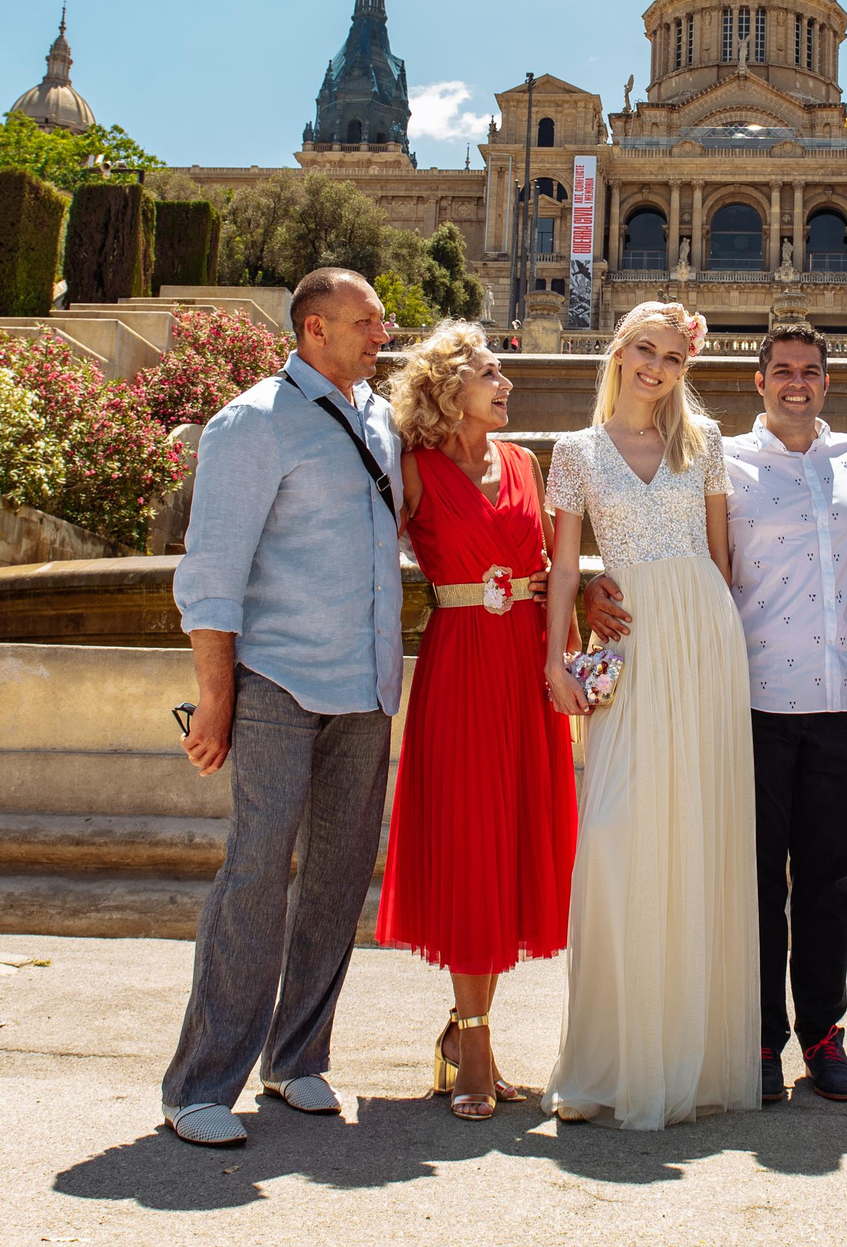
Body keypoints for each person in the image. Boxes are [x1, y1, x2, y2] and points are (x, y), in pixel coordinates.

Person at [582, 320, 847, 1104]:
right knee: (751, 878)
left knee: (831, 877)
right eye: (783, 369)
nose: (797, 382)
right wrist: (595, 582)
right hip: (751, 694)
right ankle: (757, 1035)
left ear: (827, 381)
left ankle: (823, 1033)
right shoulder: (716, 455)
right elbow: (667, 538)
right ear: (759, 381)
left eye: (810, 370)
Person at [160, 267, 401, 1148]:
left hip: (366, 684)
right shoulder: (251, 422)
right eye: (366, 322)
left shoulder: (380, 421)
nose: (382, 335)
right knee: (257, 873)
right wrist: (215, 695)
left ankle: (296, 1057)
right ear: (313, 330)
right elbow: (212, 571)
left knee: (338, 876)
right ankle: (200, 1083)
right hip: (277, 679)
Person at [537, 301, 761, 1129]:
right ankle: (609, 1059)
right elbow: (565, 568)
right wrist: (556, 656)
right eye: (645, 348)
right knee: (611, 834)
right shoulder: (575, 452)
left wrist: (719, 644)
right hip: (628, 643)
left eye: (672, 356)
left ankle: (686, 1061)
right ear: (619, 351)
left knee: (695, 833)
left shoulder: (704, 444)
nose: (656, 367)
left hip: (701, 638)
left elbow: (721, 559)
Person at [376, 321, 577, 1121]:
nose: (507, 383)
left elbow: (553, 568)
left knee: (507, 849)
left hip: (525, 668)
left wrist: (571, 629)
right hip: (459, 665)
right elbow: (365, 555)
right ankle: (476, 1043)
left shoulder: (525, 462)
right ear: (446, 385)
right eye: (491, 371)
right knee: (469, 847)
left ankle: (468, 1036)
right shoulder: (413, 468)